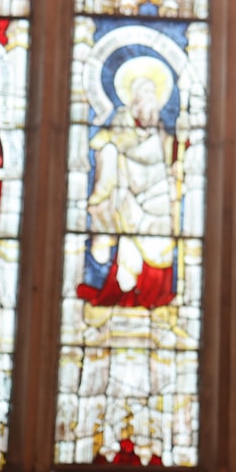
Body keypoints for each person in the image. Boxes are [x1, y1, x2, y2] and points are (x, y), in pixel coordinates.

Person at [77, 56, 177, 308]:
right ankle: (126, 293)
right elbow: (104, 142)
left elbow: (167, 159)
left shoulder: (163, 130)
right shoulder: (122, 121)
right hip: (129, 195)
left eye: (153, 95)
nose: (149, 100)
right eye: (144, 94)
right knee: (128, 241)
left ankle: (154, 295)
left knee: (161, 241)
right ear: (133, 99)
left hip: (159, 200)